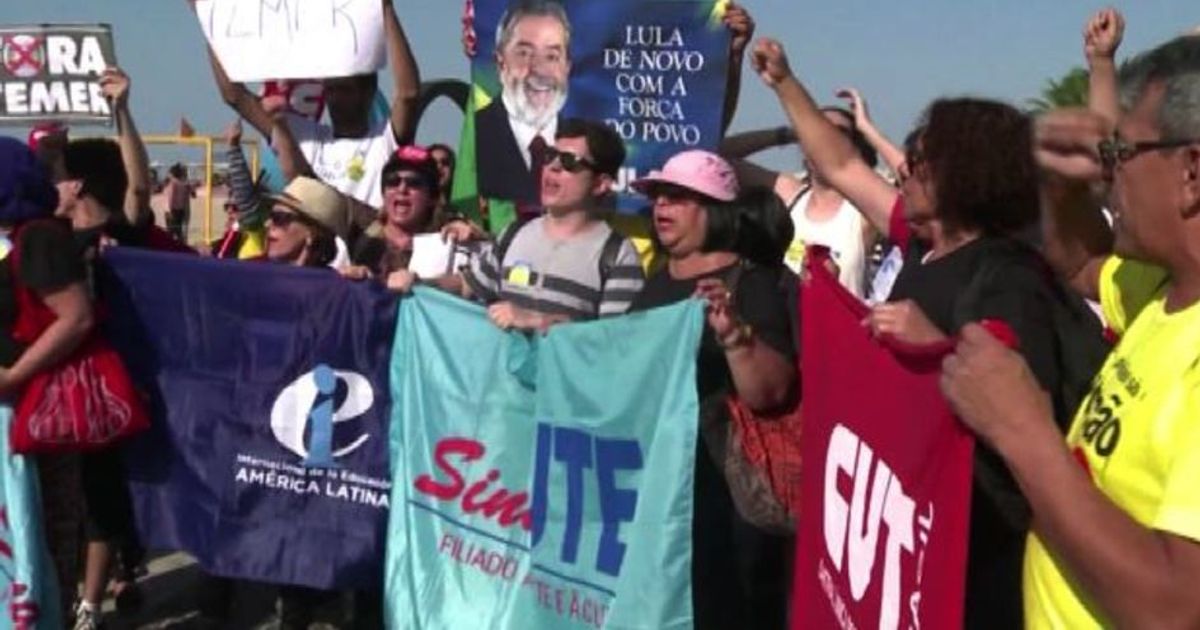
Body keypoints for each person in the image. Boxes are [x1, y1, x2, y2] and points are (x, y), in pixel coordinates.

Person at [751, 36, 1111, 628]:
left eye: (921, 161)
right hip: (910, 534)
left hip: (980, 557)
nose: (905, 171)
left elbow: (1025, 417)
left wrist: (935, 348)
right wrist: (784, 82)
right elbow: (841, 166)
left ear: (968, 173)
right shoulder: (921, 244)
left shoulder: (1009, 277)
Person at [941, 20, 1200, 630]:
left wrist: (1023, 430)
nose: (1109, 175)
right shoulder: (1163, 291)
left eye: (1121, 154)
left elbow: (1172, 609)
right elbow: (1083, 263)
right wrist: (1059, 183)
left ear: (1192, 172)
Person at [628, 149, 796, 629]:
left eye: (678, 197)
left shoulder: (753, 284)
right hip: (666, 494)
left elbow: (772, 392)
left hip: (732, 501)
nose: (661, 206)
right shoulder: (655, 286)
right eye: (657, 196)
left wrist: (734, 337)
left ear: (717, 207)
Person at [395, 119, 645, 330]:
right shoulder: (514, 234)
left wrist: (542, 322)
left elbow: (615, 346)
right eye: (550, 156)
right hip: (501, 387)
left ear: (601, 183)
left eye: (569, 161)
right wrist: (420, 283)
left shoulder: (618, 256)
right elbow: (467, 287)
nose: (552, 167)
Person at [0, 138, 94, 625]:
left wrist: (15, 372)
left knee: (41, 536)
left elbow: (75, 317)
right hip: (15, 412)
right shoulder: (12, 235)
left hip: (39, 414)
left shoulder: (38, 237)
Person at [203, 0, 420, 210]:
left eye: (344, 90)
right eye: (330, 90)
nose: (334, 99)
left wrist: (386, 9)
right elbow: (235, 96)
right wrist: (211, 23)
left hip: (367, 246)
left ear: (368, 93)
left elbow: (409, 93)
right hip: (313, 247)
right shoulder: (304, 137)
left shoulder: (384, 141)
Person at [722, 105, 881, 296]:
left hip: (845, 324)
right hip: (795, 325)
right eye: (817, 129)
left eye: (838, 132)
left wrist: (869, 132)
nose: (825, 137)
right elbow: (720, 155)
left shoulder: (863, 211)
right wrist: (788, 134)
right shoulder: (793, 197)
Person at [476, 0, 572, 209]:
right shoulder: (474, 135)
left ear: (567, 67)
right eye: (525, 53)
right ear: (501, 63)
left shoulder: (583, 144)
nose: (539, 70)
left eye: (552, 56)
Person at [348, 145, 443, 276]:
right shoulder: (361, 225)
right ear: (383, 192)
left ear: (432, 197)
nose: (402, 189)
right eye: (393, 181)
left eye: (414, 183)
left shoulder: (445, 241)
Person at [163, 162, 194, 243]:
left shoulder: (173, 183)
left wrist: (169, 210)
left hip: (172, 210)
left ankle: (173, 246)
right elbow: (193, 194)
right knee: (178, 231)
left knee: (172, 232)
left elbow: (170, 197)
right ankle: (179, 245)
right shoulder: (182, 183)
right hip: (179, 210)